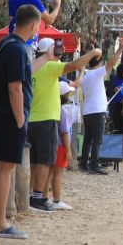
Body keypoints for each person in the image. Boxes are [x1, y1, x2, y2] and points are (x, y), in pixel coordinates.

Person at [0, 4, 41, 239]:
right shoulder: (18, 49)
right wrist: (20, 120)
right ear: (34, 25)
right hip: (10, 117)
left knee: (1, 168)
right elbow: (15, 88)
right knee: (5, 168)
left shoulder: (6, 43)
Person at [27, 38, 100, 212]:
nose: (60, 51)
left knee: (35, 161)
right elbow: (75, 65)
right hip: (46, 120)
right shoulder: (49, 66)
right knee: (45, 161)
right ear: (49, 51)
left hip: (32, 120)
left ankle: (32, 196)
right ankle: (38, 198)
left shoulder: (32, 67)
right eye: (57, 48)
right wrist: (93, 53)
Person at [79, 37, 123, 174]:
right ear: (99, 62)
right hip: (97, 111)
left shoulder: (85, 75)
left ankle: (84, 163)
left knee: (88, 139)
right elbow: (112, 63)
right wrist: (120, 49)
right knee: (97, 139)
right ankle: (94, 165)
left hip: (87, 111)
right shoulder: (97, 73)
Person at [42, 81, 75, 210]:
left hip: (51, 143)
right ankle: (57, 200)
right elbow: (65, 132)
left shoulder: (52, 108)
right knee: (58, 173)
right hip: (61, 146)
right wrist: (68, 150)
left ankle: (44, 198)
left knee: (49, 172)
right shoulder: (63, 111)